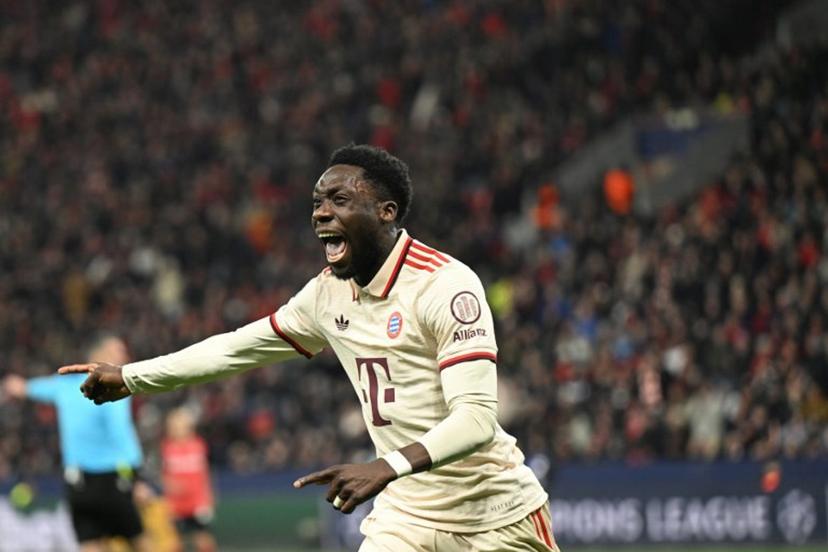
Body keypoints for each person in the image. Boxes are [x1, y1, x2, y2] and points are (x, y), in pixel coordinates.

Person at [60, 144, 559, 551]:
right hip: (406, 514)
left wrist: (385, 466)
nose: (321, 213)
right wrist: (131, 377)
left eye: (339, 200)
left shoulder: (446, 286)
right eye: (318, 202)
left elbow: (474, 418)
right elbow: (237, 348)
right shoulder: (326, 295)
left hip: (494, 514)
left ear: (386, 213)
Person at [4, 335, 149, 552]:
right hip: (112, 479)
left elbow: (29, 388)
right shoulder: (115, 389)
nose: (124, 357)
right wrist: (137, 479)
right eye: (117, 351)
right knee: (139, 541)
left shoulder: (65, 386)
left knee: (90, 544)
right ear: (99, 356)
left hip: (78, 482)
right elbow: (121, 433)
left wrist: (17, 385)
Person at [161, 408, 217, 552]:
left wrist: (209, 498)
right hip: (176, 503)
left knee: (203, 538)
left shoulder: (198, 445)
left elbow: (206, 473)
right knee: (175, 540)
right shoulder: (166, 447)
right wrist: (169, 486)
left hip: (197, 501)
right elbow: (163, 475)